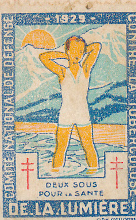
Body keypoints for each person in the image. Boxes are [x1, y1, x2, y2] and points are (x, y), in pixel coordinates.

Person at [39, 35, 102, 173]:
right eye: (73, 51)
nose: (77, 55)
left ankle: (93, 172)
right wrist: (63, 54)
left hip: (82, 113)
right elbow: (43, 57)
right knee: (60, 148)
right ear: (67, 51)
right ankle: (55, 173)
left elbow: (97, 46)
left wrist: (81, 50)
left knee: (88, 146)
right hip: (66, 113)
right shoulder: (62, 72)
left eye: (80, 52)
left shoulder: (85, 69)